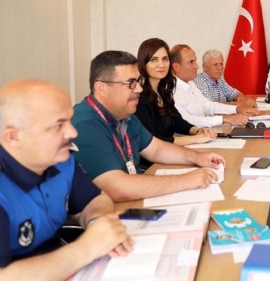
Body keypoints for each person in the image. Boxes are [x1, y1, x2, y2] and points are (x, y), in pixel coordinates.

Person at [0, 79, 133, 281]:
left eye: (69, 120)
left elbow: (94, 198)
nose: (73, 132)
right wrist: (87, 248)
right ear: (13, 137)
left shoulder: (57, 158)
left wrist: (97, 223)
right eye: (58, 125)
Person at [72, 51, 226, 202]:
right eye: (130, 83)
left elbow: (157, 149)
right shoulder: (85, 125)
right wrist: (185, 180)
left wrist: (197, 158)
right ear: (102, 88)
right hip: (111, 209)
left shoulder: (125, 116)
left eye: (138, 81)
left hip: (134, 197)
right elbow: (116, 187)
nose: (139, 89)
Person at [135, 38, 216, 145]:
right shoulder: (139, 97)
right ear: (143, 63)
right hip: (153, 155)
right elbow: (151, 140)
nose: (161, 64)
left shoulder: (163, 92)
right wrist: (195, 139)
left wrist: (197, 131)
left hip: (168, 152)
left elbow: (177, 122)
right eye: (154, 60)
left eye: (165, 59)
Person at [171, 44, 259, 127]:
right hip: (188, 136)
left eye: (195, 61)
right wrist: (224, 119)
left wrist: (236, 108)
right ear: (176, 67)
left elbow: (207, 105)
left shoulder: (190, 84)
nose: (196, 66)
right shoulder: (172, 90)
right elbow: (185, 120)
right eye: (191, 62)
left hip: (203, 131)